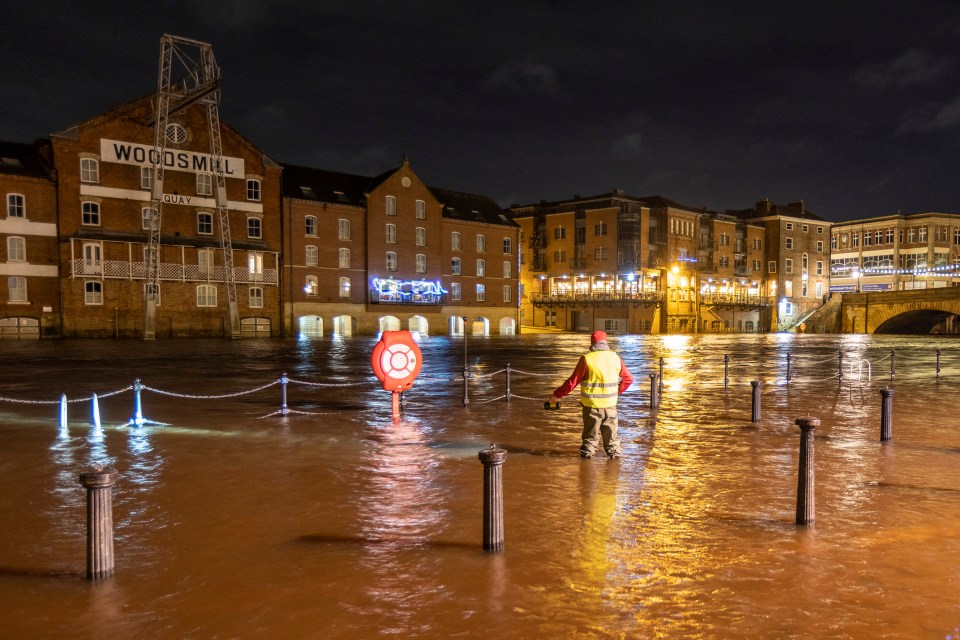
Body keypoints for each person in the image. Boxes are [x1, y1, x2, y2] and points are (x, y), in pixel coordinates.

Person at [546, 330, 633, 459]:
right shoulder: (616, 358)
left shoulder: (587, 359)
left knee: (590, 440)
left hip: (592, 407)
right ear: (605, 342)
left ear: (592, 343)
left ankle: (586, 471)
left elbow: (572, 382)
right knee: (612, 442)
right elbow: (628, 379)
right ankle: (614, 469)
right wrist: (616, 392)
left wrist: (557, 395)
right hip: (610, 406)